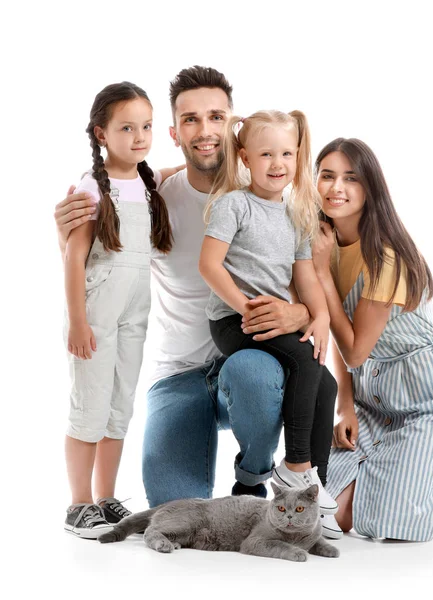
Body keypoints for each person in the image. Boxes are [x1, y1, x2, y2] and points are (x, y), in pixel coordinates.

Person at [54, 68, 315, 522]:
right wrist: (68, 236)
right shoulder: (156, 199)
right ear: (174, 133)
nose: (205, 130)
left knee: (253, 374)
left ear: (235, 127)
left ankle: (255, 475)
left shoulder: (272, 196)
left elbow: (307, 278)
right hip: (178, 374)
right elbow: (103, 256)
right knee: (176, 509)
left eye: (216, 116)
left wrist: (300, 313)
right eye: (191, 120)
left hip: (247, 362)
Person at [307, 137, 433, 540]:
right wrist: (345, 407)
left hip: (424, 401)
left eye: (351, 178)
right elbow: (338, 334)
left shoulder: (386, 256)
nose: (337, 187)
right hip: (371, 397)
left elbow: (354, 348)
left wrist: (320, 273)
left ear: (371, 188)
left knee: (387, 525)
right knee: (328, 513)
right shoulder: (324, 241)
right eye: (327, 176)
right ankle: (408, 455)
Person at [198, 110, 338, 515]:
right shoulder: (234, 205)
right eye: (265, 155)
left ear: (297, 157)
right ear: (244, 158)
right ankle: (295, 467)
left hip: (273, 317)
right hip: (231, 319)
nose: (277, 164)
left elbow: (305, 275)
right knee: (303, 362)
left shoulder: (295, 214)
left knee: (324, 384)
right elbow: (209, 265)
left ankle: (311, 494)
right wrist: (243, 306)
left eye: (287, 154)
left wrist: (320, 317)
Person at [63, 82, 174, 539]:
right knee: (89, 404)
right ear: (101, 133)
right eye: (126, 127)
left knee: (119, 404)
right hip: (98, 308)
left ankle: (106, 497)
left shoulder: (149, 182)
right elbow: (73, 256)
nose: (140, 136)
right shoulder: (92, 187)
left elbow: (182, 167)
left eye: (146, 126)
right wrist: (77, 321)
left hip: (136, 309)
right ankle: (78, 504)